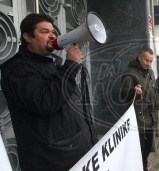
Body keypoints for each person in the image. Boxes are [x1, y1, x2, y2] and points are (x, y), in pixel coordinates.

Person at [0, 13, 98, 171]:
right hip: (53, 160)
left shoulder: (52, 64)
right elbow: (45, 102)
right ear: (27, 36)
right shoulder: (17, 70)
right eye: (45, 32)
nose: (52, 36)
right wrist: (70, 67)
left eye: (53, 32)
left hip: (76, 153)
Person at [120, 47, 159, 171]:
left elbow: (156, 91)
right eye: (147, 60)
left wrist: (158, 105)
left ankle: (143, 165)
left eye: (151, 61)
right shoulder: (130, 73)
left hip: (151, 117)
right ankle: (142, 167)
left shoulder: (150, 72)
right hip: (139, 119)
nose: (149, 64)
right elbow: (123, 96)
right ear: (140, 57)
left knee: (147, 147)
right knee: (139, 149)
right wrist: (133, 91)